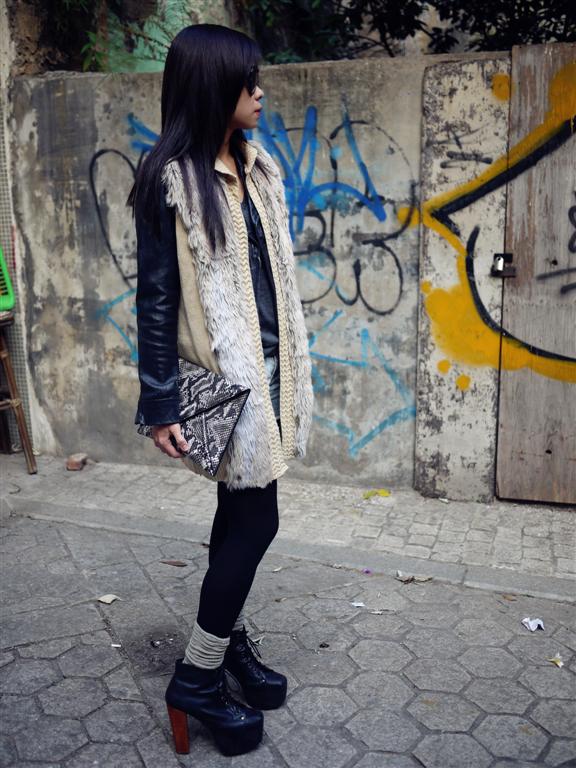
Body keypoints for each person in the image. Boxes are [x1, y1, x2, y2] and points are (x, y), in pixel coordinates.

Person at [128, 23, 314, 758]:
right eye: (247, 82)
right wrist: (160, 403)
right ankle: (197, 678)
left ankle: (228, 645)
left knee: (237, 519)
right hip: (228, 385)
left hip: (274, 372)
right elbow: (155, 301)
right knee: (258, 523)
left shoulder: (257, 166)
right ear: (213, 87)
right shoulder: (171, 180)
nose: (260, 92)